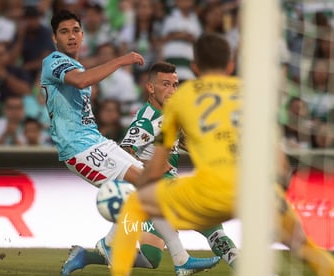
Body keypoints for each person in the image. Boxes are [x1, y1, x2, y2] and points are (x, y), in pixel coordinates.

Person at [110, 33, 334, 276]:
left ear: (195, 67)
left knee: (135, 205)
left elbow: (155, 167)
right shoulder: (252, 95)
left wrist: (147, 190)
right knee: (304, 247)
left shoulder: (182, 100)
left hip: (210, 191)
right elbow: (279, 162)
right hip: (255, 190)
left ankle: (139, 265)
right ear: (231, 65)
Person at [40, 9, 220, 276]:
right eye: (64, 32)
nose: (71, 36)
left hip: (96, 141)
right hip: (78, 150)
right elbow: (80, 82)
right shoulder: (54, 61)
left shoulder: (76, 65)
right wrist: (121, 60)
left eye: (75, 30)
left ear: (82, 33)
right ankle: (113, 245)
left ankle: (180, 259)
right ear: (55, 38)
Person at [120, 61, 238, 269]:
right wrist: (150, 164)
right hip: (155, 191)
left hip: (168, 189)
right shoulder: (146, 120)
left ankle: (87, 256)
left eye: (175, 85)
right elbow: (123, 153)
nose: (172, 90)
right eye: (165, 84)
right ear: (150, 87)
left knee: (151, 258)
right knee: (210, 225)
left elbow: (184, 141)